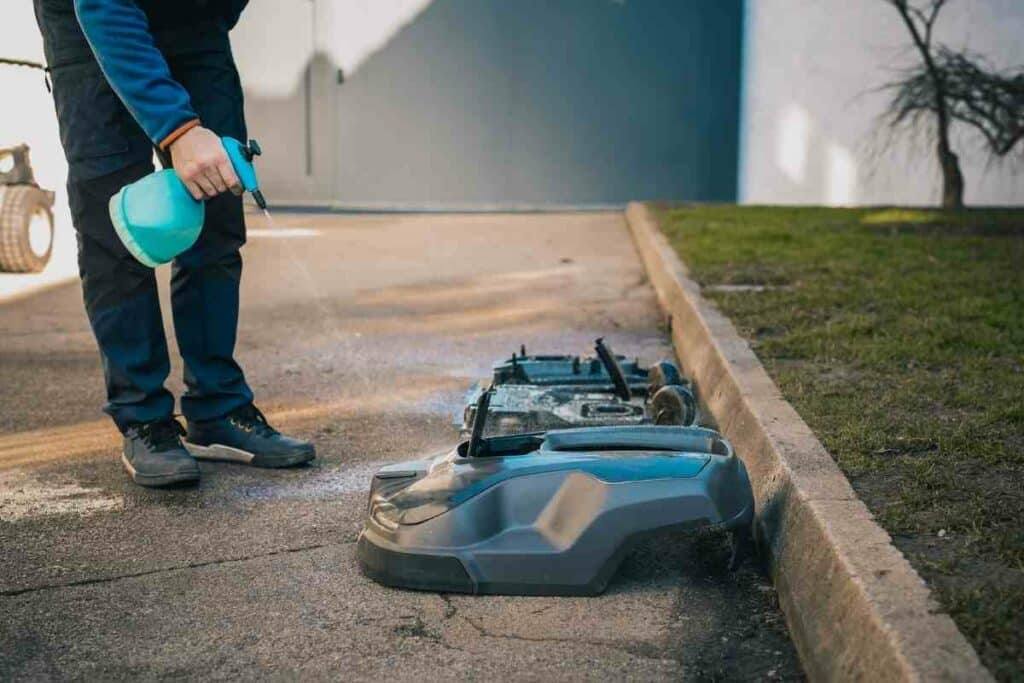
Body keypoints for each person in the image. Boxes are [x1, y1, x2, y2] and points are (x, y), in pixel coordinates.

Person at [33, 0, 315, 487]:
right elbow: (102, 6)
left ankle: (217, 408)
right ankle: (144, 418)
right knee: (119, 230)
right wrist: (179, 129)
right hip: (88, 23)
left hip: (194, 22)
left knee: (217, 212)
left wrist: (202, 18)